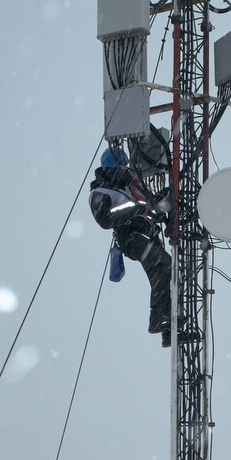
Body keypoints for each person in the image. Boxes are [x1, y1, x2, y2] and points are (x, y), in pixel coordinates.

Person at [87, 144, 176, 347]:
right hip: (130, 237)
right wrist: (135, 210)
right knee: (164, 265)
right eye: (120, 167)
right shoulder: (100, 192)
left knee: (167, 272)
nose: (124, 171)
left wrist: (163, 199)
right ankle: (159, 319)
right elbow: (105, 220)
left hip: (145, 235)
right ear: (110, 168)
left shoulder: (128, 186)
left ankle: (167, 327)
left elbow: (148, 204)